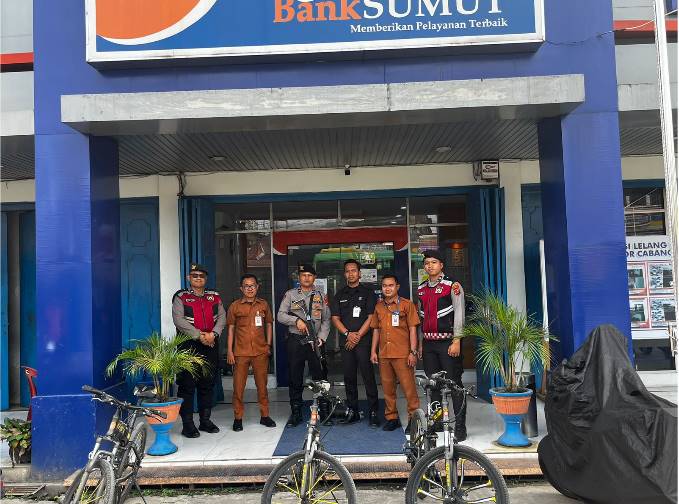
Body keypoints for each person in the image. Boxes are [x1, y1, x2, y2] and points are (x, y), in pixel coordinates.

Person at [417, 250, 467, 440]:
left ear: (441, 265)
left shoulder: (452, 286)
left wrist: (457, 340)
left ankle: (460, 427)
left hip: (448, 343)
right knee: (433, 385)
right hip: (429, 344)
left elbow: (460, 314)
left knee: (455, 385)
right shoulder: (421, 288)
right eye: (427, 263)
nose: (430, 266)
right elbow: (421, 318)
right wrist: (421, 344)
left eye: (434, 262)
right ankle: (437, 422)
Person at [172, 263, 226, 438]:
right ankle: (187, 424)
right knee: (187, 386)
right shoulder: (181, 296)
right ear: (188, 278)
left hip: (211, 344)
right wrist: (199, 335)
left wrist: (214, 334)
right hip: (189, 345)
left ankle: (205, 421)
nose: (198, 278)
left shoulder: (214, 296)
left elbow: (222, 317)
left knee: (207, 384)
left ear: (206, 278)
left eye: (201, 276)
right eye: (194, 275)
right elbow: (179, 320)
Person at [277, 264, 331, 427]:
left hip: (316, 341)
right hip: (296, 341)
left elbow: (326, 319)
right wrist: (296, 321)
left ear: (314, 277)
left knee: (320, 377)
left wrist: (322, 337)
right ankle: (296, 412)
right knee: (295, 376)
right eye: (303, 275)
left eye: (309, 275)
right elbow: (280, 315)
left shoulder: (321, 295)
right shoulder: (290, 294)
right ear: (299, 278)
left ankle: (324, 410)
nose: (306, 278)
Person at [331, 259, 380, 427]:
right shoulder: (339, 294)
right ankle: (353, 411)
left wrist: (357, 336)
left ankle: (374, 412)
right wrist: (348, 334)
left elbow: (371, 317)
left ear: (359, 273)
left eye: (353, 270)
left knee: (368, 377)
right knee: (349, 377)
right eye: (347, 271)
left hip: (364, 342)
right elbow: (335, 318)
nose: (350, 273)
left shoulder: (368, 293)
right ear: (344, 274)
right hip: (347, 342)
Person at [226, 274, 277, 432]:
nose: (250, 288)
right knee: (238, 387)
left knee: (262, 386)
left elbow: (269, 324)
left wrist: (268, 345)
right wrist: (230, 351)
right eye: (246, 286)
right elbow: (231, 329)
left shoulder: (263, 304)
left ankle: (265, 415)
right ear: (241, 288)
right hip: (240, 353)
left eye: (252, 285)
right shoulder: (235, 306)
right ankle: (238, 418)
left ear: (257, 287)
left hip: (261, 352)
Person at [370, 274, 420, 431]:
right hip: (384, 354)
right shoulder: (378, 307)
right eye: (384, 285)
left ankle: (414, 419)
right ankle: (392, 418)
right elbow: (376, 330)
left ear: (397, 287)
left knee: (409, 389)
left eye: (391, 285)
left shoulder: (407, 305)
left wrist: (413, 352)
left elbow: (413, 329)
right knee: (388, 389)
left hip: (402, 354)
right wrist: (373, 351)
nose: (387, 288)